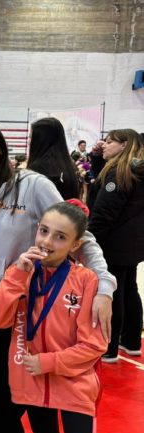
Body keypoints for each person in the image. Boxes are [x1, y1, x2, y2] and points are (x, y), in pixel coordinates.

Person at [0, 119, 115, 433]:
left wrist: (105, 286)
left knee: (35, 411)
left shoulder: (32, 185)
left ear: (1, 148)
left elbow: (78, 235)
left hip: (29, 316)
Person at [0, 201, 107, 433]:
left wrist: (48, 362)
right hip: (34, 384)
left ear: (75, 245)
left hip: (76, 387)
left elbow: (95, 345)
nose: (47, 242)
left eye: (60, 237)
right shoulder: (20, 272)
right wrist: (17, 276)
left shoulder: (86, 280)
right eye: (44, 231)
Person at [87, 129, 144, 362]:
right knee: (129, 288)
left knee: (114, 292)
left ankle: (108, 346)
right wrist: (97, 158)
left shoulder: (120, 172)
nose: (105, 144)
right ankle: (131, 341)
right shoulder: (135, 170)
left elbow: (104, 212)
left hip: (114, 242)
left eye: (110, 142)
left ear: (124, 145)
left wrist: (88, 240)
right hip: (134, 242)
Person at [27, 117, 81, 200]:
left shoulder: (38, 167)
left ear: (41, 139)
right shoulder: (67, 165)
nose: (28, 142)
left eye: (31, 137)